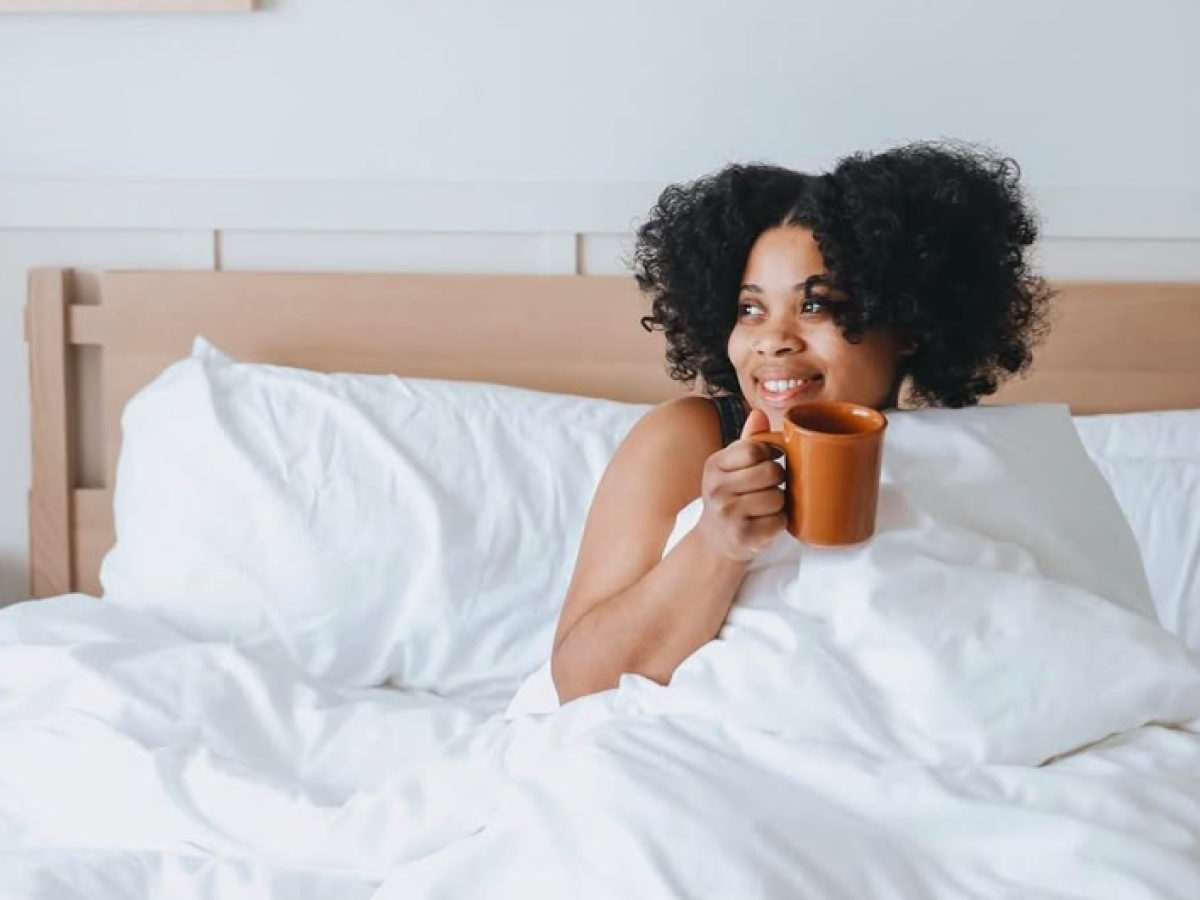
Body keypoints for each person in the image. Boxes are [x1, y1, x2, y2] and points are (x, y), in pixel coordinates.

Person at [550, 141, 1052, 704]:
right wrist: (717, 542)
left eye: (816, 305)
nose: (774, 338)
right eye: (750, 309)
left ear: (908, 323)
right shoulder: (687, 441)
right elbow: (579, 682)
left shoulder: (972, 463)